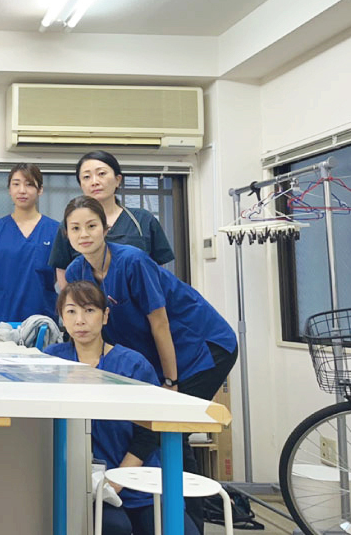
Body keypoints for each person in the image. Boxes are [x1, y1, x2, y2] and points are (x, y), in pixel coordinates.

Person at [63, 195, 237, 532]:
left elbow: (160, 323)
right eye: (75, 228)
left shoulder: (133, 261)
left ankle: (187, 523)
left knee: (172, 429)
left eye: (91, 226)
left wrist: (170, 383)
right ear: (67, 235)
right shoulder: (76, 271)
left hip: (201, 347)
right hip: (156, 355)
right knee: (159, 427)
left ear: (105, 228)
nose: (84, 234)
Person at [45, 280, 198, 535]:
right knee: (115, 527)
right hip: (83, 484)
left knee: (184, 531)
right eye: (71, 311)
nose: (80, 320)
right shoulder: (52, 361)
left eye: (89, 310)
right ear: (61, 316)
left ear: (105, 316)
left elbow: (150, 431)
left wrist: (119, 478)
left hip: (137, 475)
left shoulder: (133, 365)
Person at [51, 150, 174, 289]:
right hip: (88, 300)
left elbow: (158, 268)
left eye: (101, 174)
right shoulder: (70, 225)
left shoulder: (143, 220)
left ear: (118, 180)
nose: (94, 182)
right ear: (81, 185)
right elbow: (62, 271)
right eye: (86, 177)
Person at [0, 163, 59, 335]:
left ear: (40, 190)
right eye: (16, 184)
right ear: (9, 190)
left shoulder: (56, 231)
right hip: (2, 315)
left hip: (40, 314)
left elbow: (60, 275)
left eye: (29, 184)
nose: (22, 190)